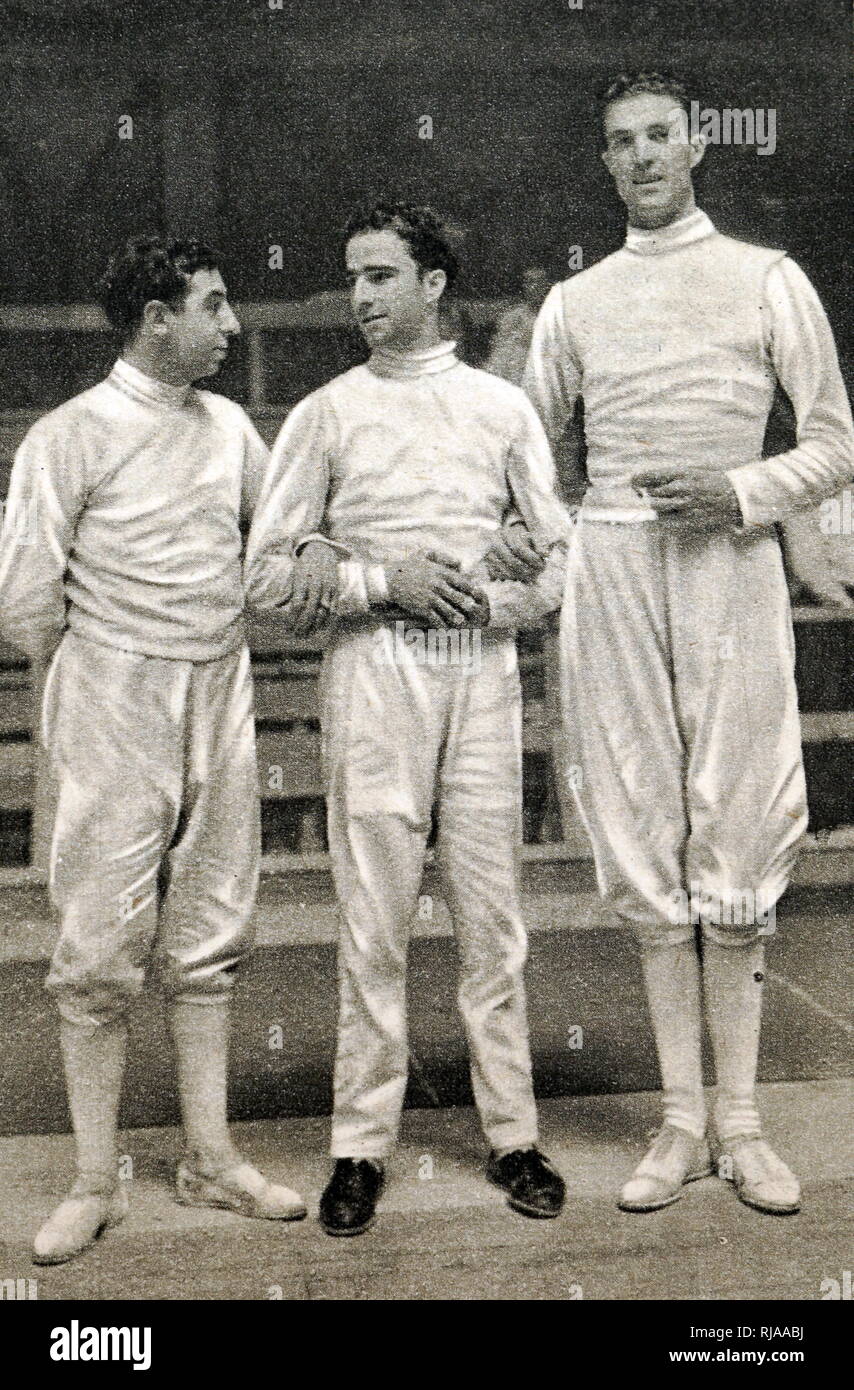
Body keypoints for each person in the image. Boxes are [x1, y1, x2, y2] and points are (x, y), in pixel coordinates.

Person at [520, 72, 854, 1215]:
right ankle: (675, 1120)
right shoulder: (574, 301)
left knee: (738, 809)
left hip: (726, 559)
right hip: (614, 565)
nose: (643, 155)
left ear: (698, 144)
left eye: (661, 134)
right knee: (635, 815)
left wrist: (737, 488)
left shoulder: (766, 278)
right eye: (621, 141)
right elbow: (531, 463)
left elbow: (831, 442)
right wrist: (579, 537)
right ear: (604, 161)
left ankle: (744, 1126)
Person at [244, 201, 571, 1236]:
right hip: (373, 674)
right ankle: (358, 1146)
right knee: (373, 921)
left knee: (490, 917)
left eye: (381, 275)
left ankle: (513, 1134)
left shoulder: (498, 409)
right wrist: (383, 580)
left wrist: (497, 591)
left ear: (433, 283)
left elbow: (556, 564)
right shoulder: (327, 411)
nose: (360, 296)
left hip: (476, 668)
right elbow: (262, 572)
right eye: (353, 277)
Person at [0, 234, 306, 1265]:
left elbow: (278, 547)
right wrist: (100, 684)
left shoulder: (229, 429)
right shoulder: (70, 435)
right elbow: (26, 601)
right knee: (97, 946)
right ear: (154, 317)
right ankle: (95, 1179)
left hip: (217, 685)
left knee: (212, 931)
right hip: (111, 695)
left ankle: (210, 1157)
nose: (230, 325)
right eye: (212, 305)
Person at [485, 264, 552, 385]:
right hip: (517, 371)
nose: (534, 288)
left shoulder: (553, 316)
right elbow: (500, 351)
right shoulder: (513, 317)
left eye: (539, 283)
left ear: (546, 286)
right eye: (529, 283)